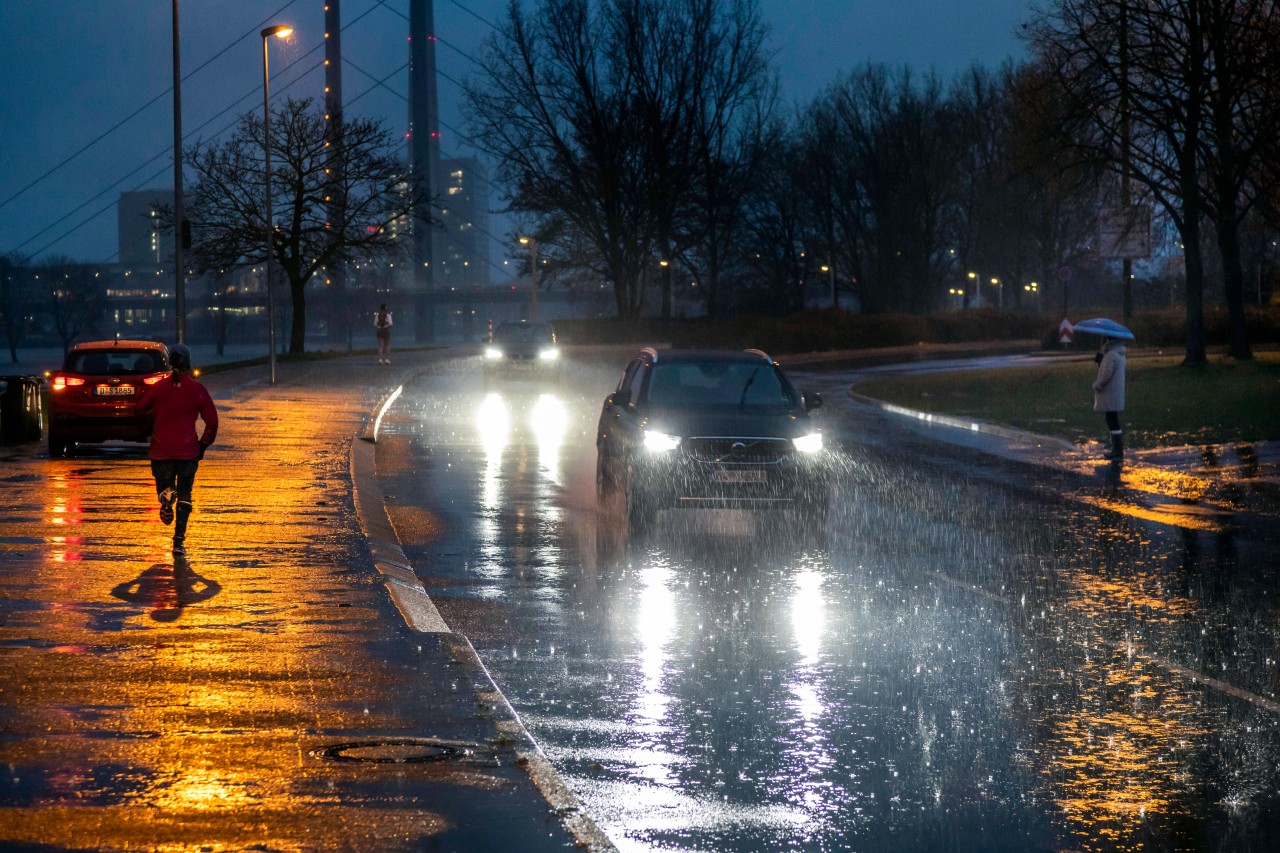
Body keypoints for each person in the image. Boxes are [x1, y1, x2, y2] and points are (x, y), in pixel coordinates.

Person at [137, 343, 218, 557]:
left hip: (161, 449)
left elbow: (140, 408)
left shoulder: (158, 388)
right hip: (188, 450)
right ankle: (178, 542)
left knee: (166, 485)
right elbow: (212, 421)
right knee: (186, 493)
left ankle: (166, 496)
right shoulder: (197, 389)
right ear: (189, 364)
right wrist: (202, 445)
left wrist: (151, 425)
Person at [1091, 335, 1127, 461]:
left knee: (1111, 419)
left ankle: (1117, 450)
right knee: (1112, 418)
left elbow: (1106, 374)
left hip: (1109, 391)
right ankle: (1116, 449)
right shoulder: (1118, 353)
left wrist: (1097, 385)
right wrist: (1101, 362)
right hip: (1114, 391)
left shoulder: (1111, 354)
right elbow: (1108, 369)